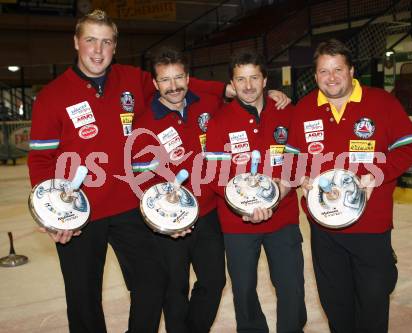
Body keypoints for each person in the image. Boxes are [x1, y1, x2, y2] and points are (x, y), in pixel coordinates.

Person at [27, 9, 228, 333]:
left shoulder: (132, 79)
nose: (98, 49)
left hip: (128, 208)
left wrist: (228, 90)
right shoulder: (52, 96)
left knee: (153, 283)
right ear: (76, 43)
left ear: (115, 46)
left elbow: (175, 83)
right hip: (79, 212)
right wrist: (53, 215)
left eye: (106, 42)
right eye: (91, 40)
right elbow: (40, 161)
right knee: (83, 297)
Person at [287, 39, 412, 333]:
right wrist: (300, 178)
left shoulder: (381, 102)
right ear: (316, 74)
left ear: (351, 71)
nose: (331, 77)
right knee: (335, 302)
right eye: (324, 71)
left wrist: (377, 173)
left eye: (338, 69)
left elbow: (411, 147)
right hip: (324, 227)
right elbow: (291, 159)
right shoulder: (305, 108)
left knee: (373, 303)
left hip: (371, 226)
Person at [205, 50, 307, 333]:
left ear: (265, 81)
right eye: (241, 79)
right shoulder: (220, 121)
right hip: (237, 223)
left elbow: (298, 161)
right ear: (232, 84)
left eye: (254, 78)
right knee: (244, 290)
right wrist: (244, 205)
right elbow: (214, 175)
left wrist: (279, 193)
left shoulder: (288, 112)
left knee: (291, 286)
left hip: (283, 217)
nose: (248, 86)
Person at [130, 48, 226, 333]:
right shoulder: (145, 122)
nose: (174, 86)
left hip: (207, 212)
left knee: (214, 281)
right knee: (175, 290)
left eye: (179, 77)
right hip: (169, 221)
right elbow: (143, 179)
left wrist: (271, 96)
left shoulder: (208, 104)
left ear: (188, 77)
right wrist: (166, 221)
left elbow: (240, 103)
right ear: (156, 83)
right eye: (166, 80)